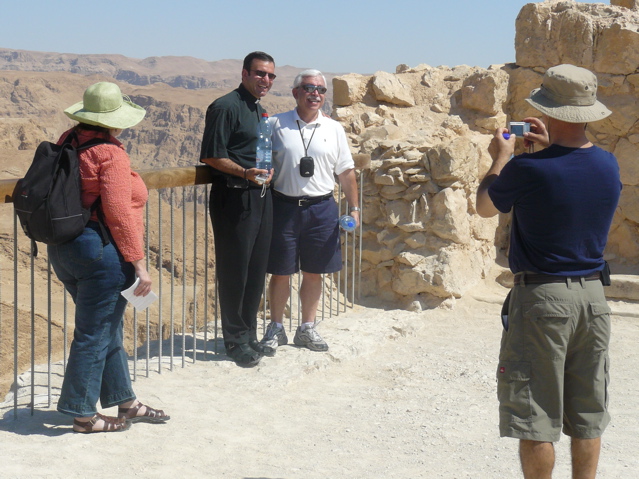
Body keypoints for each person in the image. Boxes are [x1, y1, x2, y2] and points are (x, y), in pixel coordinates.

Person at [476, 64, 621, 478]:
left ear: (552, 113)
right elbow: (565, 178)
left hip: (542, 299)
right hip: (593, 298)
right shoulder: (608, 165)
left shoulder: (527, 170)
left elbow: (485, 206)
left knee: (536, 413)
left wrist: (501, 160)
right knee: (588, 413)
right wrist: (542, 152)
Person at [49, 81, 170, 433]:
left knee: (107, 327)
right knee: (95, 332)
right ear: (116, 120)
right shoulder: (110, 153)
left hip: (65, 249)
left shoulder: (68, 141)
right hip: (100, 252)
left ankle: (125, 401)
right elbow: (118, 213)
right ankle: (83, 414)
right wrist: (140, 265)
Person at [258, 69, 359, 355]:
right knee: (280, 272)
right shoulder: (276, 124)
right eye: (308, 88)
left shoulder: (334, 129)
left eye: (321, 90)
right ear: (295, 93)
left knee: (314, 272)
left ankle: (307, 327)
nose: (315, 94)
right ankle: (276, 327)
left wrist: (354, 208)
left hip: (322, 209)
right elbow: (262, 162)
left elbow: (347, 172)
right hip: (284, 207)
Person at [200, 51, 276, 367]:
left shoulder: (259, 111)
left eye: (271, 76)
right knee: (234, 271)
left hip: (259, 197)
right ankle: (234, 340)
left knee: (256, 270)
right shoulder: (225, 107)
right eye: (260, 73)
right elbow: (211, 156)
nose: (266, 80)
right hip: (233, 198)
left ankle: (249, 335)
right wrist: (245, 173)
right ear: (244, 73)